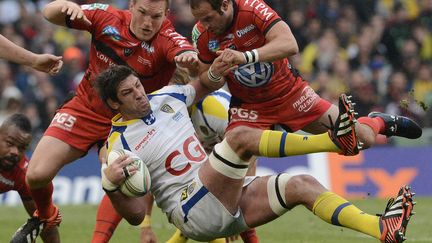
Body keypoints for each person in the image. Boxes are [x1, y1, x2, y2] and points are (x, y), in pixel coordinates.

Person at [97, 65, 415, 243]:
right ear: (114, 104)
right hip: (191, 211)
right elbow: (135, 213)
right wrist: (111, 185)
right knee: (239, 138)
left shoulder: (167, 95)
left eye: (138, 85)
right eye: (128, 93)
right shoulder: (118, 145)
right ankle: (336, 142)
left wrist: (213, 66)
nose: (140, 94)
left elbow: (204, 83)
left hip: (220, 199)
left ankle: (380, 229)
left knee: (302, 184)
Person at [11, 0, 200, 242]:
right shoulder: (106, 18)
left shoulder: (167, 38)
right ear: (131, 5)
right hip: (85, 109)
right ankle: (47, 215)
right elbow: (49, 13)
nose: (147, 23)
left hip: (129, 123)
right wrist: (65, 6)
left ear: (166, 14)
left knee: (121, 187)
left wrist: (189, 58)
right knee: (36, 175)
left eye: (156, 16)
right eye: (142, 13)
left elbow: (187, 53)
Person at [188, 0, 422, 162]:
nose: (205, 25)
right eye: (200, 19)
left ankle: (378, 123)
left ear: (225, 5)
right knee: (236, 173)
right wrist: (214, 73)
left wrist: (245, 57)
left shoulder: (252, 9)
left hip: (292, 95)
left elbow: (290, 45)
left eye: (208, 18)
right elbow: (210, 82)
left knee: (362, 139)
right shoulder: (201, 34)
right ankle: (247, 235)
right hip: (249, 107)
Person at [0, 114, 59, 243]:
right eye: (9, 143)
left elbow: (45, 220)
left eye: (21, 148)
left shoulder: (24, 175)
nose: (15, 152)